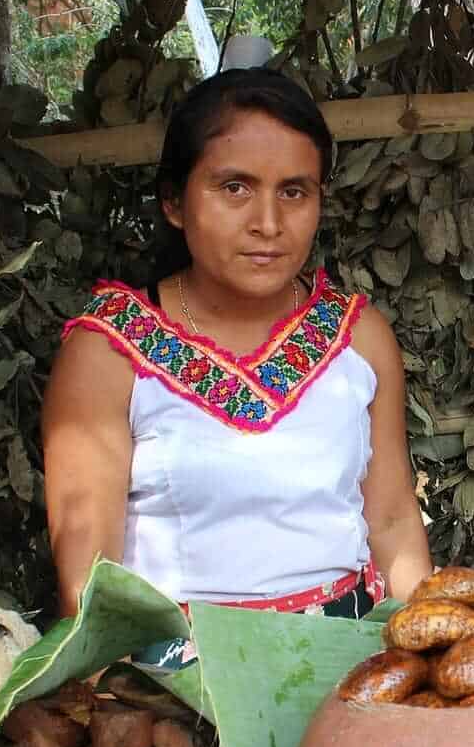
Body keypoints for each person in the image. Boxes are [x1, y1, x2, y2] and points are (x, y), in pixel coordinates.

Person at [41, 67, 432, 659]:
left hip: (346, 658)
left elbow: (395, 522)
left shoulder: (359, 338)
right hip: (178, 675)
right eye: (235, 188)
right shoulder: (110, 350)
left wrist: (424, 664)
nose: (269, 224)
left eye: (294, 191)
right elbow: (89, 576)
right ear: (174, 202)